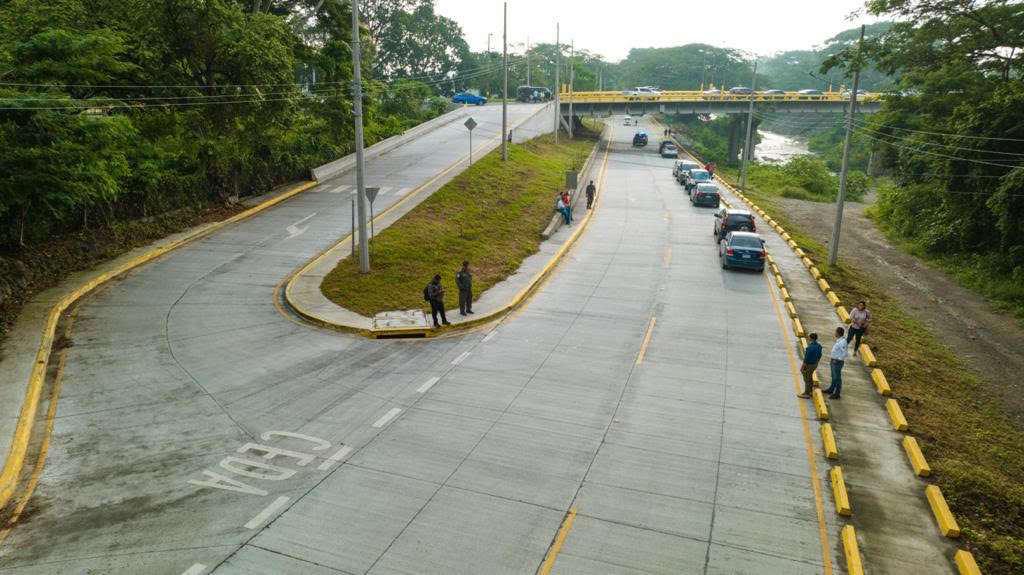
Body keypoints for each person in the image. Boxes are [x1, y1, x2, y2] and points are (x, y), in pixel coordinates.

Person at [824, 326, 849, 399]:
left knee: (837, 378)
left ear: (838, 333)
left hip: (837, 362)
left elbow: (845, 353)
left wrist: (838, 359)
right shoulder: (839, 341)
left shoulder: (842, 342)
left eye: (835, 332)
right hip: (834, 361)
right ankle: (831, 389)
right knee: (833, 377)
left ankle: (837, 393)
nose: (834, 333)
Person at [797, 332, 822, 398]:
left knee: (807, 378)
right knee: (810, 377)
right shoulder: (819, 346)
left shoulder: (810, 348)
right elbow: (820, 355)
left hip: (809, 365)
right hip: (815, 364)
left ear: (811, 338)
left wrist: (802, 367)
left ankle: (806, 393)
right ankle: (810, 391)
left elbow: (806, 359)